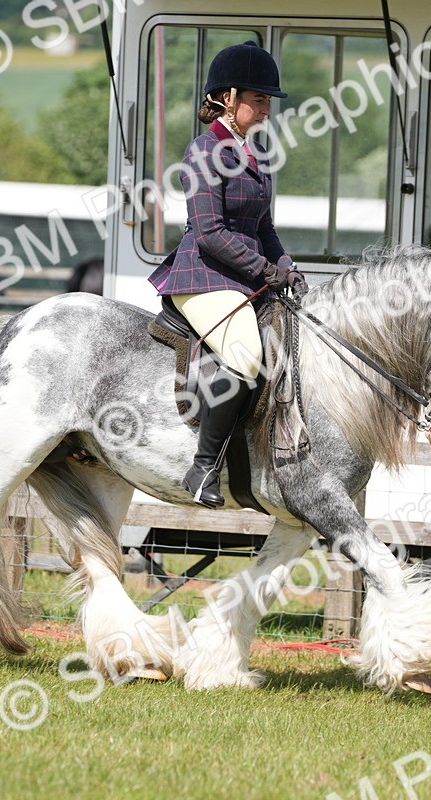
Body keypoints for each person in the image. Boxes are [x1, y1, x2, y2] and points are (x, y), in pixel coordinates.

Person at [148, 40, 307, 508]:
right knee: (245, 354)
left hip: (245, 278)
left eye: (267, 101)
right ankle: (202, 468)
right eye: (259, 100)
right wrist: (265, 269)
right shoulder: (202, 152)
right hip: (203, 278)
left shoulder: (255, 155)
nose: (267, 110)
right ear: (228, 97)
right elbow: (210, 233)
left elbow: (264, 228)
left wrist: (286, 266)